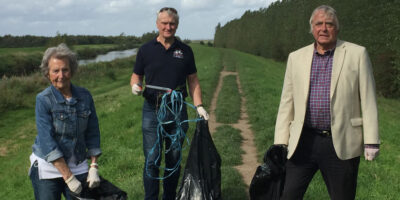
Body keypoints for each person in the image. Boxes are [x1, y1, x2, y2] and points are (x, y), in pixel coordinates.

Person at [273, 5, 380, 200]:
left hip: (340, 142)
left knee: (342, 196)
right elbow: (286, 103)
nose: (323, 28)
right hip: (302, 142)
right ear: (312, 28)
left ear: (337, 28)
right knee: (288, 195)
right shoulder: (296, 58)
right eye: (319, 24)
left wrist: (371, 140)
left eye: (329, 24)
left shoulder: (357, 54)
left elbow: (368, 99)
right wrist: (280, 141)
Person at [130, 7, 209, 200]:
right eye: (164, 23)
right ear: (157, 25)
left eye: (172, 23)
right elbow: (136, 76)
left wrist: (199, 106)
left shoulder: (185, 51)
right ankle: (151, 197)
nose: (168, 27)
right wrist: (135, 86)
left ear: (177, 25)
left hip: (177, 110)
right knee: (152, 159)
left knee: (173, 158)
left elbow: (193, 80)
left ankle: (169, 197)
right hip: (152, 110)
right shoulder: (146, 50)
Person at [29, 43, 102, 200]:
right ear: (48, 74)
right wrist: (69, 178)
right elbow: (47, 141)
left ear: (72, 71)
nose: (61, 75)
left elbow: (93, 131)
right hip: (48, 167)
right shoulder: (43, 99)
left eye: (65, 70)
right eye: (55, 71)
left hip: (78, 164)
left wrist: (94, 166)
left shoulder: (85, 96)